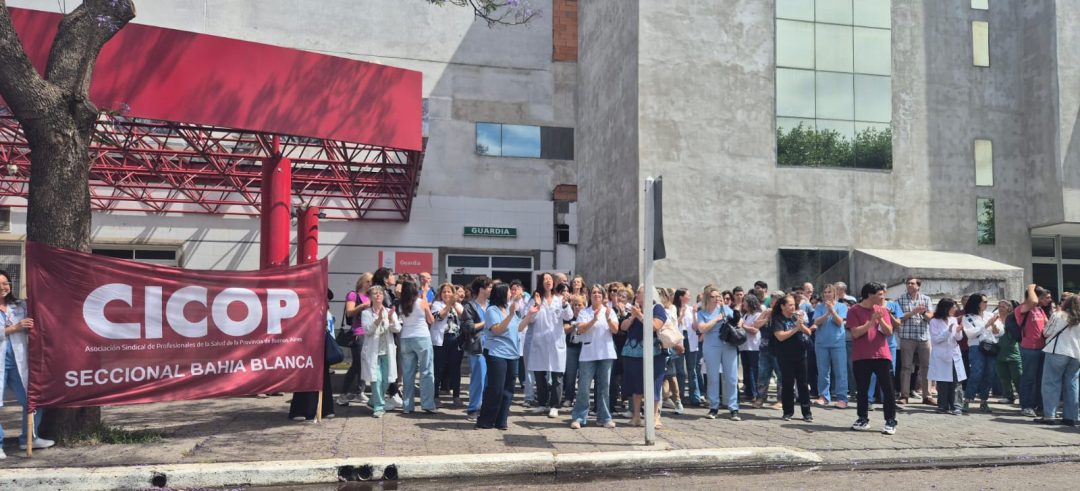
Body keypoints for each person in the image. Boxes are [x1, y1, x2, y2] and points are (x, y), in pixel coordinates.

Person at [0, 271, 53, 455]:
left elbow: (41, 311)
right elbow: (16, 328)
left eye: (5, 283)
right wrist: (16, 327)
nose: (2, 287)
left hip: (17, 362)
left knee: (33, 400)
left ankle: (29, 438)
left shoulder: (19, 305)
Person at [477, 282, 539, 430]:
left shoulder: (509, 309)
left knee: (508, 390)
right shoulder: (492, 310)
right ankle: (485, 420)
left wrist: (529, 315)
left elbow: (519, 327)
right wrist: (511, 315)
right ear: (501, 294)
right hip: (496, 353)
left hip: (512, 354)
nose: (511, 294)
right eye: (508, 292)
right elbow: (497, 330)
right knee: (496, 389)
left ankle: (501, 420)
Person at [846, 282, 898, 435]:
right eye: (880, 294)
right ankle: (862, 418)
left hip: (882, 355)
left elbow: (888, 332)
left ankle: (890, 421)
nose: (883, 297)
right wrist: (871, 321)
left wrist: (880, 319)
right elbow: (855, 333)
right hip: (861, 356)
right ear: (869, 295)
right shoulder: (854, 310)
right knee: (862, 389)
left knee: (888, 389)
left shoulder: (883, 310)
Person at [570, 285, 619, 429]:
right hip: (588, 353)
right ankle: (579, 417)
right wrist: (594, 319)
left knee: (604, 386)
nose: (596, 294)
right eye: (594, 293)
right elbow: (581, 328)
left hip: (606, 353)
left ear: (603, 296)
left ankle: (604, 417)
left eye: (599, 292)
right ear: (590, 296)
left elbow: (615, 330)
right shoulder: (585, 312)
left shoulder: (609, 311)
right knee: (584, 386)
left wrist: (608, 318)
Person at [620, 287, 669, 428]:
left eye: (639, 293)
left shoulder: (657, 308)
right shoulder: (635, 308)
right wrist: (633, 316)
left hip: (653, 353)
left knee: (654, 384)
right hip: (633, 353)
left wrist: (640, 315)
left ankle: (655, 416)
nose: (636, 295)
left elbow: (655, 325)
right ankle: (636, 416)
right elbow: (623, 327)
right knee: (636, 384)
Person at [527, 273, 574, 418]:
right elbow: (530, 319)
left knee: (557, 375)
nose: (548, 281)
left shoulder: (560, 300)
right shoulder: (535, 299)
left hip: (555, 342)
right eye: (545, 279)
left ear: (553, 283)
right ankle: (542, 404)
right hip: (540, 342)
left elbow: (569, 316)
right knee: (539, 375)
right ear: (541, 282)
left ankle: (554, 405)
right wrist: (536, 305)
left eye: (550, 279)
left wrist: (566, 304)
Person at [289, 289, 337, 421]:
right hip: (305, 345)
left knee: (324, 377)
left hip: (321, 345)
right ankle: (300, 410)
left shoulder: (325, 310)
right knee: (304, 376)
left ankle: (325, 408)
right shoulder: (302, 307)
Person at [697, 286, 740, 420]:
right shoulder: (701, 312)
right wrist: (717, 319)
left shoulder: (725, 309)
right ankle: (713, 407)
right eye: (713, 296)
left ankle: (734, 408)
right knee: (713, 377)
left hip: (728, 346)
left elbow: (738, 321)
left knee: (732, 378)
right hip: (711, 347)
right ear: (707, 298)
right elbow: (702, 328)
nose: (717, 299)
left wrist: (736, 314)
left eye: (718, 296)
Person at [1036, 294, 1080, 425]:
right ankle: (1071, 416)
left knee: (1051, 383)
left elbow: (1046, 332)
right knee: (1072, 384)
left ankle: (1050, 415)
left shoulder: (1058, 315)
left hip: (1058, 351)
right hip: (1076, 354)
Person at [770, 294, 814, 422]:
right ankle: (788, 412)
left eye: (794, 305)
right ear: (783, 306)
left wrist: (801, 325)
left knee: (803, 384)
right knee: (788, 384)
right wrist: (796, 328)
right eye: (789, 305)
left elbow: (809, 332)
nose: (792, 307)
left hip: (801, 355)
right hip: (785, 356)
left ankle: (807, 412)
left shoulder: (796, 317)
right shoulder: (778, 319)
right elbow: (780, 336)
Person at [359, 285, 401, 418]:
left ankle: (373, 401)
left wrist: (390, 320)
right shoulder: (366, 313)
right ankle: (378, 407)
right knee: (375, 379)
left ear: (383, 296)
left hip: (387, 351)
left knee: (386, 380)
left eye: (380, 293)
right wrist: (377, 320)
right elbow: (367, 331)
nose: (378, 295)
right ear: (370, 297)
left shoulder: (390, 311)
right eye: (375, 294)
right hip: (373, 352)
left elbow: (397, 329)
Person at [397, 280, 437, 414]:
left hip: (405, 338)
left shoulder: (401, 304)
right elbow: (431, 320)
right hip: (422, 337)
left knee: (408, 374)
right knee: (426, 371)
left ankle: (407, 406)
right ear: (415, 290)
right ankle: (427, 404)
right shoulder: (421, 302)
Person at [961, 293, 1002, 413]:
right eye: (984, 301)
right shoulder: (968, 317)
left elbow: (1000, 332)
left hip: (991, 346)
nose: (986, 304)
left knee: (989, 374)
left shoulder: (990, 315)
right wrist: (986, 325)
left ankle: (984, 400)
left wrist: (994, 326)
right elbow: (971, 333)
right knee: (976, 373)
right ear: (977, 303)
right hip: (976, 347)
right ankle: (967, 399)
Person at [897, 277, 935, 406]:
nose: (909, 285)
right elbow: (899, 318)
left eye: (912, 283)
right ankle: (904, 395)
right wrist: (913, 312)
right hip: (907, 337)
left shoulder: (926, 299)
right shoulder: (900, 300)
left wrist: (923, 312)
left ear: (918, 286)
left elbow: (930, 316)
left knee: (926, 367)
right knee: (906, 367)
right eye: (908, 283)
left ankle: (927, 396)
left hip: (924, 337)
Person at [337, 272, 373, 407]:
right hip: (358, 333)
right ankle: (343, 393)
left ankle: (359, 391)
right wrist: (363, 306)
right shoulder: (353, 295)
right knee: (357, 364)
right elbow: (349, 312)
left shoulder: (370, 296)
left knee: (364, 364)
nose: (370, 284)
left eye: (372, 282)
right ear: (362, 282)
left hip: (369, 333)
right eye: (368, 281)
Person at [1018, 284, 1053, 417]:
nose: (1047, 299)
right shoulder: (1023, 308)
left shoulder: (1040, 310)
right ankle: (1026, 406)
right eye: (1042, 296)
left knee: (1040, 379)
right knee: (1028, 378)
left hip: (1042, 348)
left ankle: (1039, 405)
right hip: (1029, 348)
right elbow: (1032, 301)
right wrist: (1031, 288)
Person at [461, 276, 493, 421]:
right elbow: (468, 327)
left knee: (489, 381)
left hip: (493, 348)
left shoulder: (492, 305)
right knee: (478, 379)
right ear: (481, 289)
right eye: (489, 287)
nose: (491, 290)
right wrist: (486, 323)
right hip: (478, 347)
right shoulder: (469, 306)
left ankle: (485, 408)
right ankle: (473, 408)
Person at [812, 284, 848, 408]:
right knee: (823, 371)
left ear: (834, 293)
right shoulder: (819, 306)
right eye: (825, 292)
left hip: (837, 343)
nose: (827, 294)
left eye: (829, 292)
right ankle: (823, 396)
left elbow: (840, 323)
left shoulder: (842, 306)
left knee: (840, 371)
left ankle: (842, 398)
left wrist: (832, 310)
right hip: (821, 343)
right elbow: (816, 322)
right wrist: (827, 313)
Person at [929, 298, 966, 415]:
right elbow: (936, 339)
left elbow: (958, 338)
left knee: (956, 381)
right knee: (943, 381)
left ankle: (957, 406)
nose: (955, 309)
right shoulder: (934, 321)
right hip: (941, 355)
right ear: (946, 308)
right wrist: (948, 331)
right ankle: (943, 405)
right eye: (953, 307)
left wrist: (959, 331)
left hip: (954, 353)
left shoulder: (954, 319)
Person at [431, 283, 465, 407]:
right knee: (438, 369)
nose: (447, 294)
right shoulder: (436, 305)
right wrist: (449, 305)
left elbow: (464, 316)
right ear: (440, 294)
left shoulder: (458, 305)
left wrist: (455, 304)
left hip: (455, 339)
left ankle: (456, 396)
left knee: (455, 369)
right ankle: (435, 396)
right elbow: (438, 317)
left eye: (449, 292)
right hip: (441, 340)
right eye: (444, 292)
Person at [676, 288, 705, 406]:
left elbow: (695, 327)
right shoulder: (674, 309)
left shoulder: (691, 309)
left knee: (692, 369)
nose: (690, 296)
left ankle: (695, 397)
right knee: (679, 370)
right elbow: (674, 324)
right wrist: (681, 315)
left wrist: (694, 313)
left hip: (690, 338)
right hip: (679, 338)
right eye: (687, 295)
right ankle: (680, 397)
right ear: (681, 297)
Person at [660, 288, 686, 414]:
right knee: (660, 376)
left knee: (671, 375)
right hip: (656, 345)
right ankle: (661, 400)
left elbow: (674, 327)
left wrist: (678, 343)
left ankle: (677, 401)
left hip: (669, 345)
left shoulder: (671, 309)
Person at [995, 300, 1021, 405]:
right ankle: (1008, 395)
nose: (1000, 308)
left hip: (1013, 350)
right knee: (1003, 376)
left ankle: (1023, 396)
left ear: (1009, 308)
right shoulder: (995, 318)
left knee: (1018, 375)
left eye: (1003, 307)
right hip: (998, 350)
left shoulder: (1013, 319)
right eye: (999, 306)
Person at [739, 294, 763, 404]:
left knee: (754, 370)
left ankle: (755, 394)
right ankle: (749, 392)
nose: (743, 303)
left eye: (745, 301)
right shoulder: (745, 315)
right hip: (744, 346)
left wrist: (742, 325)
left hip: (754, 346)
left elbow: (754, 330)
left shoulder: (758, 315)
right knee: (747, 370)